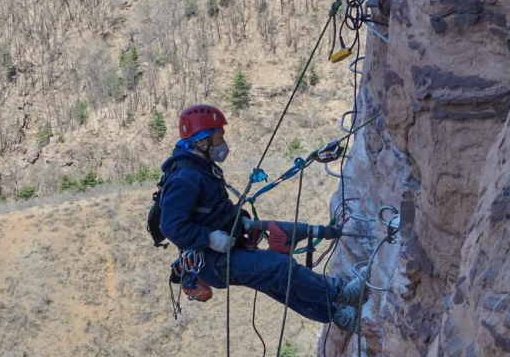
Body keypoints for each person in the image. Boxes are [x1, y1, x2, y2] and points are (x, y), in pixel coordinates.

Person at [156, 103, 365, 331]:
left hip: (223, 251)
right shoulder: (185, 178)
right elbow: (171, 226)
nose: (223, 143)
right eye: (219, 137)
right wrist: (209, 238)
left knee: (277, 282)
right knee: (279, 269)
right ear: (202, 141)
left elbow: (213, 209)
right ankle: (343, 293)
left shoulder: (200, 167)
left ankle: (338, 315)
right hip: (212, 260)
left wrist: (240, 220)